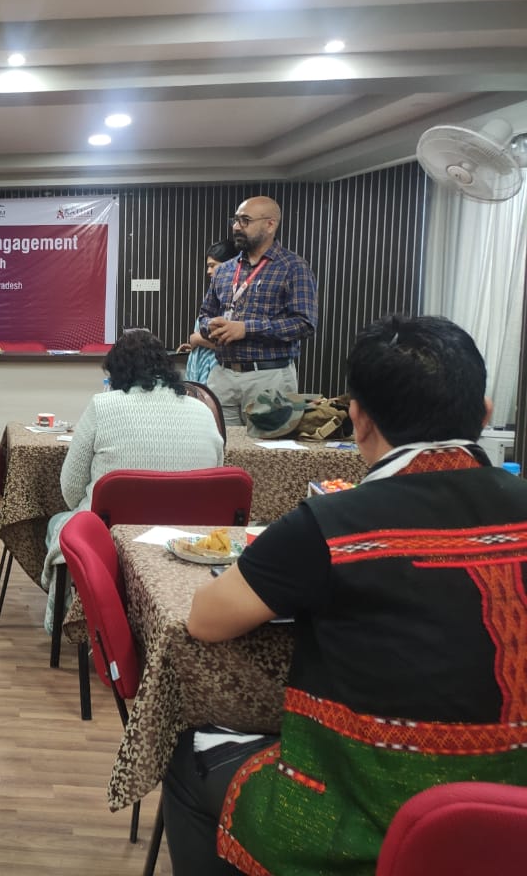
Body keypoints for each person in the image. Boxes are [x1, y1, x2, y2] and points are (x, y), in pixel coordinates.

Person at [163, 315, 527, 876]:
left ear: (357, 419)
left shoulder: (331, 524)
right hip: (513, 831)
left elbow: (206, 620)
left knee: (190, 758)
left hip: (365, 828)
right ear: (483, 412)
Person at [41, 330, 224, 626]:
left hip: (109, 534)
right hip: (187, 539)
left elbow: (71, 489)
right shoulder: (202, 411)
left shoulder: (102, 406)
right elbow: (216, 476)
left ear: (115, 371)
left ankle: (78, 618)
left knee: (57, 523)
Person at [197, 196, 317, 425]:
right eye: (235, 220)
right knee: (221, 442)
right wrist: (210, 326)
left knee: (267, 446)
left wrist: (246, 329)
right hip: (222, 374)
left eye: (245, 220)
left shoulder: (293, 267)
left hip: (269, 377)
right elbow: (205, 314)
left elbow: (304, 324)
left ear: (270, 225)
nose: (236, 227)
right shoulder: (225, 270)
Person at [180, 241, 238, 384]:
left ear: (229, 265)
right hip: (205, 360)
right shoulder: (216, 292)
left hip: (222, 371)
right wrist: (196, 348)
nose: (208, 271)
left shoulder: (237, 296)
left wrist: (198, 339)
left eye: (213, 265)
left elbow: (236, 345)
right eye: (208, 266)